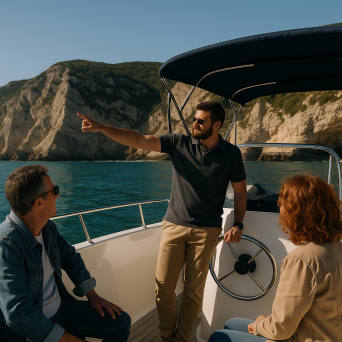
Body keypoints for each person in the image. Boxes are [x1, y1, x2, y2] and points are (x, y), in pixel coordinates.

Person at [77, 101, 247, 342]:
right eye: (194, 118)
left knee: (193, 291)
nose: (194, 124)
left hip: (206, 230)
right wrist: (101, 127)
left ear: (217, 125)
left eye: (201, 121)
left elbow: (240, 192)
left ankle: (182, 339)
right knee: (163, 288)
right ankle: (167, 338)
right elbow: (138, 139)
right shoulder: (179, 143)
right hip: (174, 226)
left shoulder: (231, 154)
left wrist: (238, 223)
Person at [0, 165, 131, 342]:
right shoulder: (7, 244)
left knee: (121, 322)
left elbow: (70, 258)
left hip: (61, 308)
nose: (58, 194)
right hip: (34, 327)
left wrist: (92, 296)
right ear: (38, 203)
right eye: (54, 190)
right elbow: (17, 312)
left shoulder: (47, 228)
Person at [209, 174, 342, 342]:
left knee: (219, 336)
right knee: (231, 324)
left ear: (298, 213)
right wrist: (264, 323)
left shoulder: (302, 260)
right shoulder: (336, 246)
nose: (281, 209)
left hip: (303, 337)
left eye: (283, 204)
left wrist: (259, 324)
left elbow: (281, 328)